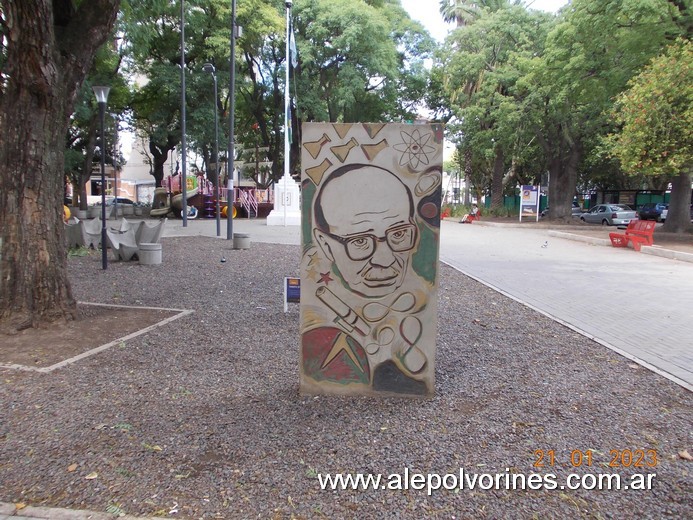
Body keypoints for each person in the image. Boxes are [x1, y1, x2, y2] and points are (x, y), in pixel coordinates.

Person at [302, 163, 435, 396]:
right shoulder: (318, 317)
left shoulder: (423, 293)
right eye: (360, 241)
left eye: (399, 233)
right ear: (325, 244)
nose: (384, 259)